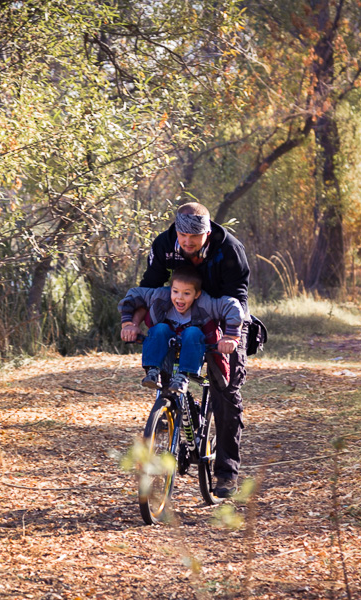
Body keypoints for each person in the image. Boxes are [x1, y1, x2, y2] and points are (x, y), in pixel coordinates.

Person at [121, 202, 251, 499]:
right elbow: (148, 290)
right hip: (183, 311)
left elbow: (237, 300)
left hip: (224, 315)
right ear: (176, 232)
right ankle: (168, 428)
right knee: (166, 371)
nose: (188, 243)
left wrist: (231, 336)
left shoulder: (230, 249)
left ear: (207, 232)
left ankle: (226, 473)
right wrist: (132, 323)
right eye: (182, 236)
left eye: (194, 238)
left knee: (225, 391)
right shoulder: (164, 244)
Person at [118, 266, 242, 394]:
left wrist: (230, 337)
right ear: (170, 289)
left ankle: (183, 376)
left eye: (187, 293)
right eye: (175, 291)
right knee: (160, 328)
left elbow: (232, 306)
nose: (180, 298)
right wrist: (128, 324)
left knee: (193, 331)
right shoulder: (160, 296)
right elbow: (134, 294)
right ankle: (153, 371)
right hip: (167, 341)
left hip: (194, 343)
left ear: (197, 294)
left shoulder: (206, 303)